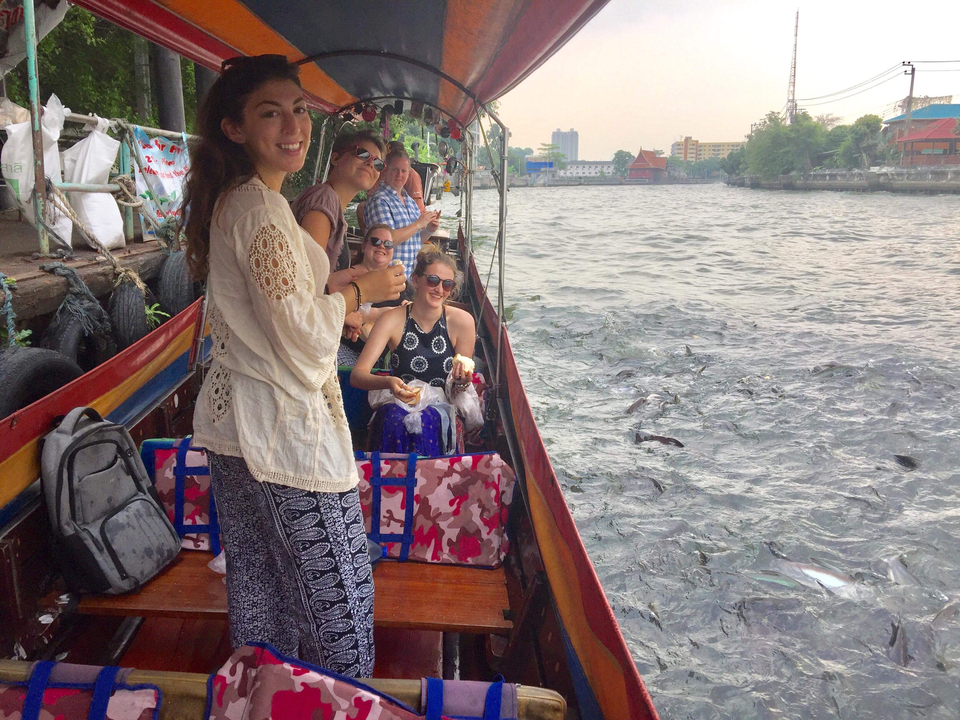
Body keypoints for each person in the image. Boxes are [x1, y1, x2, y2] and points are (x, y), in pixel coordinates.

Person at [183, 54, 406, 677]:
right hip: (279, 434)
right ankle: (343, 708)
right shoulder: (260, 212)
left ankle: (265, 700)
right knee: (341, 608)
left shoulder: (249, 203)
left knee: (264, 603)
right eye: (270, 112)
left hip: (239, 431)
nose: (293, 125)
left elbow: (273, 306)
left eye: (300, 110)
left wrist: (339, 285)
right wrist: (361, 295)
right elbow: (305, 338)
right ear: (235, 128)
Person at [350, 244, 475, 456]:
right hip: (397, 402)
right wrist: (388, 382)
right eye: (433, 280)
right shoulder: (392, 320)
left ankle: (430, 483)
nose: (439, 289)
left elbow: (459, 385)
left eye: (447, 284)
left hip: (442, 404)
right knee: (393, 419)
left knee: (430, 420)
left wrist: (462, 381)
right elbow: (357, 375)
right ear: (416, 280)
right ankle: (393, 484)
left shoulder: (462, 322)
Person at [292, 130, 385, 278]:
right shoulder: (323, 199)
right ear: (335, 158)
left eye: (378, 163)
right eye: (362, 153)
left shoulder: (332, 204)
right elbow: (310, 277)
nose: (370, 163)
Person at [338, 223, 409, 366]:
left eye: (388, 244)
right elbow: (339, 311)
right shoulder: (347, 277)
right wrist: (388, 313)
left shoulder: (399, 279)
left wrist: (409, 307)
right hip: (353, 351)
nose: (382, 246)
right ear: (364, 246)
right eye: (375, 241)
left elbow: (410, 306)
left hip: (390, 354)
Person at [363, 149, 439, 278]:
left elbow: (414, 240)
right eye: (395, 170)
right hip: (387, 277)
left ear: (409, 173)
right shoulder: (379, 200)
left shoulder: (409, 201)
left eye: (404, 171)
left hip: (408, 276)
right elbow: (386, 241)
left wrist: (429, 230)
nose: (400, 175)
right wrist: (418, 224)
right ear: (386, 171)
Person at [356, 141, 425, 233]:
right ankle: (369, 238)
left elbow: (418, 206)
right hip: (386, 207)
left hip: (407, 216)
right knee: (361, 208)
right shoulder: (381, 171)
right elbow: (371, 196)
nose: (399, 174)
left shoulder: (412, 175)